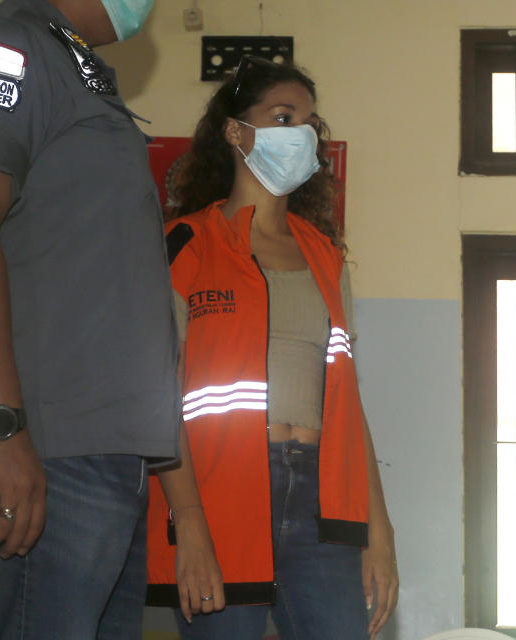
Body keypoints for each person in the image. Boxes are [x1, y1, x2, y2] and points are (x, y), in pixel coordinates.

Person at [0, 1, 184, 639]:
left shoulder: (76, 68)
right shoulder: (0, 46)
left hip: (99, 458)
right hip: (39, 452)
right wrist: (0, 429)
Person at [146, 56, 399, 639]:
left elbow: (346, 398)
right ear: (237, 131)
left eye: (309, 124)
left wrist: (378, 531)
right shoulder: (184, 246)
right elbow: (155, 398)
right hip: (217, 494)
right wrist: (189, 525)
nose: (300, 135)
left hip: (322, 501)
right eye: (283, 117)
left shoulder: (325, 255)